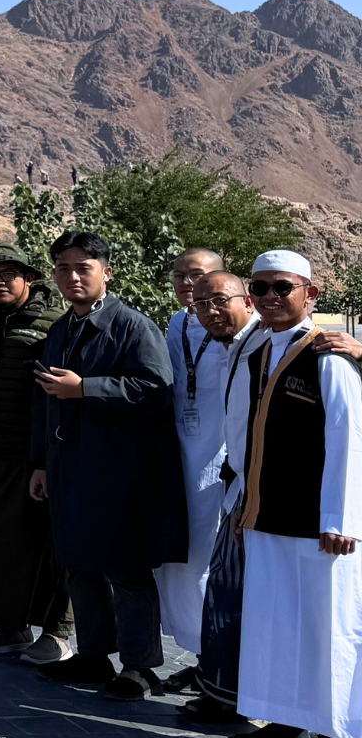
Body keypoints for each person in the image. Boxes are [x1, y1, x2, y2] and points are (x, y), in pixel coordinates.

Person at [206, 252, 362, 738]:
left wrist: (341, 518)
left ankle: (331, 737)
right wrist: (243, 502)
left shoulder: (328, 356)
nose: (270, 297)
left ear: (309, 294)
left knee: (324, 628)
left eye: (282, 287)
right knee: (273, 625)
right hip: (267, 514)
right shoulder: (260, 353)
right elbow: (249, 439)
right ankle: (284, 722)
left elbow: (347, 439)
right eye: (261, 288)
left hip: (319, 525)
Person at [28, 230, 184, 699]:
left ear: (107, 272)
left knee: (126, 568)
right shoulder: (61, 329)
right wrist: (41, 463)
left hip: (120, 472)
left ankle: (139, 667)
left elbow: (156, 391)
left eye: (84, 268)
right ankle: (93, 656)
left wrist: (86, 389)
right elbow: (45, 401)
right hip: (69, 468)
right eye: (63, 268)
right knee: (79, 563)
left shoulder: (133, 327)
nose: (72, 277)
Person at [0, 242, 72, 664]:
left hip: (36, 453)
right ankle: (11, 626)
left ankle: (57, 633)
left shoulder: (55, 323)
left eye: (8, 274)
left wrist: (46, 454)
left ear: (30, 278)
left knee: (50, 547)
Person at [181, 270, 261, 727]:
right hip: (239, 489)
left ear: (245, 301)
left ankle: (248, 702)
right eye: (200, 304)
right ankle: (221, 692)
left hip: (267, 496)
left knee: (245, 600)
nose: (210, 312)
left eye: (219, 301)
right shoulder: (234, 347)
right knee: (223, 594)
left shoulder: (272, 342)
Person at [155, 249, 237, 677]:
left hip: (218, 455)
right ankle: (202, 654)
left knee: (208, 558)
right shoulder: (176, 323)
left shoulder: (238, 326)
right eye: (181, 275)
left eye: (198, 275)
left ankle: (219, 661)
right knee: (179, 559)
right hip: (178, 455)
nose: (188, 283)